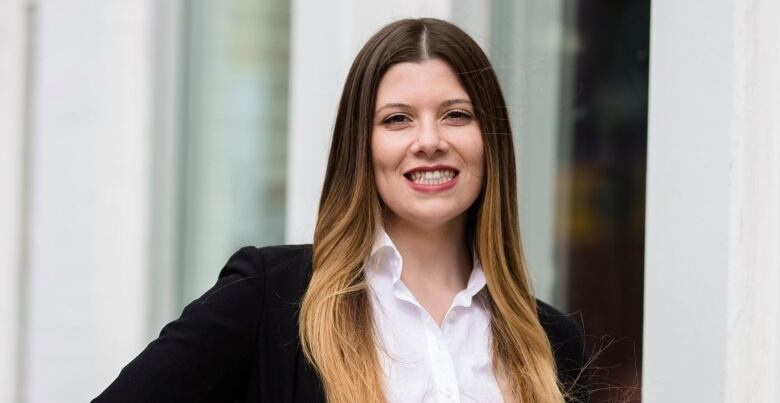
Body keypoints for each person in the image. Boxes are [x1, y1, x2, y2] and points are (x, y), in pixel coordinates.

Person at [93, 18, 589, 403]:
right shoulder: (269, 297)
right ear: (361, 146)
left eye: (455, 115)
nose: (430, 141)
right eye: (397, 120)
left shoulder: (551, 341)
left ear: (491, 141)